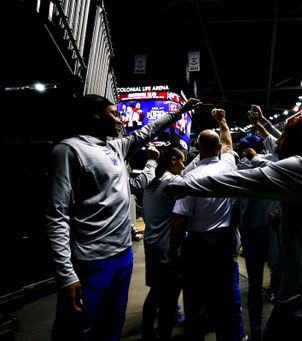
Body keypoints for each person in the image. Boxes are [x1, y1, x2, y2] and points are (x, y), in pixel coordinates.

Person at [164, 114, 302, 341]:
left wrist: (182, 185)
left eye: (283, 137)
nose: (277, 142)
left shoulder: (300, 167)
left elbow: (237, 182)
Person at [45, 94, 201, 341]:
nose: (120, 120)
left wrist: (181, 110)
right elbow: (56, 215)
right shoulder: (68, 150)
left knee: (113, 323)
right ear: (96, 113)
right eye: (114, 114)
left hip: (123, 256)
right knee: (77, 329)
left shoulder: (116, 147)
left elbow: (150, 130)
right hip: (91, 261)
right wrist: (65, 273)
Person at [167, 108, 245, 341]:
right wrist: (222, 121)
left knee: (195, 303)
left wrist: (173, 254)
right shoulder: (228, 166)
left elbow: (180, 220)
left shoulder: (189, 178)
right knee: (224, 302)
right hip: (223, 242)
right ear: (218, 149)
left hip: (197, 244)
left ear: (197, 148)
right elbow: (229, 142)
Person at [140, 145, 187, 341]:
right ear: (173, 161)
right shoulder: (174, 181)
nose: (184, 166)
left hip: (152, 246)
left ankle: (146, 335)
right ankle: (164, 336)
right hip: (167, 250)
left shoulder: (152, 182)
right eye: (182, 161)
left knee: (155, 294)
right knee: (169, 299)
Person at [236, 145, 279, 341]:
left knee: (254, 285)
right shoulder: (272, 165)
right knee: (282, 282)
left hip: (250, 234)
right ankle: (277, 328)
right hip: (274, 231)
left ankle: (256, 331)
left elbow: (234, 207)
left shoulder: (238, 171)